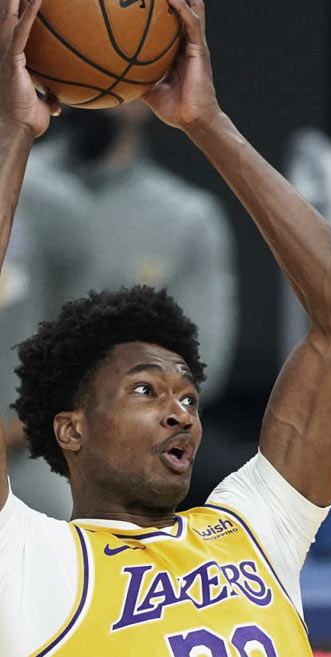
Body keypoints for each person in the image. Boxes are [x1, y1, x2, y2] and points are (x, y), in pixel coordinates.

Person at [0, 0, 331, 655]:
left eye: (186, 395)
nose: (181, 411)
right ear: (72, 428)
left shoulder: (255, 527)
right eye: (146, 390)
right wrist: (14, 131)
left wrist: (206, 122)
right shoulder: (29, 561)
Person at [3, 98, 238, 519]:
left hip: (79, 449)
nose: (95, 95)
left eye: (116, 80)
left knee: (80, 513)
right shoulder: (17, 182)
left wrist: (20, 430)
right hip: (21, 434)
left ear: (149, 94)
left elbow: (204, 368)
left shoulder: (186, 218)